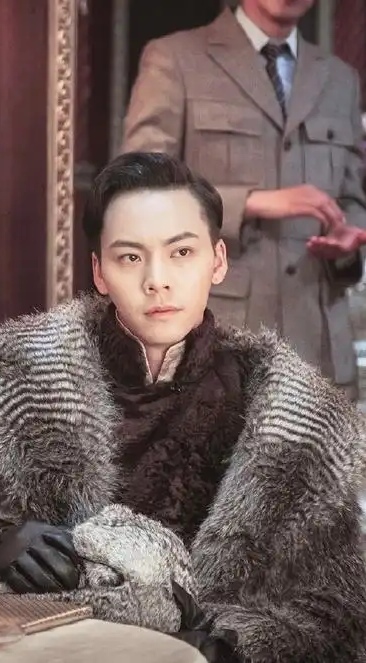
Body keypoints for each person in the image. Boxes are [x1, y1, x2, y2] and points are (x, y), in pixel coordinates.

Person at [0, 152, 366, 663]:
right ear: (99, 272)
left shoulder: (297, 417)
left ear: (217, 261)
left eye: (181, 252)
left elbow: (341, 618)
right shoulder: (5, 382)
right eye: (130, 257)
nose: (157, 280)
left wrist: (229, 645)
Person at [122, 0, 366, 401]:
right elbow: (139, 190)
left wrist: (347, 242)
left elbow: (353, 200)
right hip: (219, 347)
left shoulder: (340, 78)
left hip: (320, 355)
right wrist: (250, 202)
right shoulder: (175, 59)